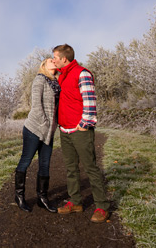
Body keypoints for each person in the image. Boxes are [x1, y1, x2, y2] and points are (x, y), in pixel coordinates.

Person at [51, 44, 111, 223]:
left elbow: (90, 100)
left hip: (80, 129)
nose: (53, 60)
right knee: (71, 168)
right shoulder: (62, 76)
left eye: (55, 57)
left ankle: (102, 206)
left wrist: (85, 124)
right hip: (65, 130)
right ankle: (75, 202)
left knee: (90, 167)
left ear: (64, 58)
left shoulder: (82, 73)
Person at [13, 58, 60, 213]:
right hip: (34, 128)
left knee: (45, 164)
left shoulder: (57, 82)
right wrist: (46, 124)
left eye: (55, 60)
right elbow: (37, 106)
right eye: (50, 60)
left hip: (49, 131)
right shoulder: (39, 79)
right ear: (44, 65)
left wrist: (55, 125)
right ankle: (19, 196)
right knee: (25, 161)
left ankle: (42, 198)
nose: (54, 61)